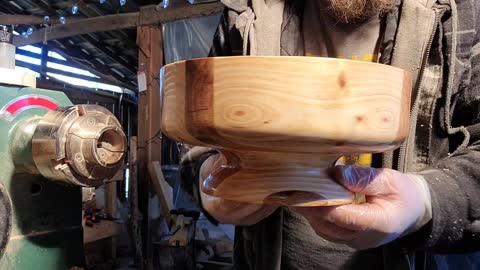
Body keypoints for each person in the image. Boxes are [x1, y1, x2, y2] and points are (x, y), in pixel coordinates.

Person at [179, 0, 480, 269]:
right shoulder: (246, 14)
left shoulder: (462, 14)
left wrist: (424, 201)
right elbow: (197, 143)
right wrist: (212, 188)